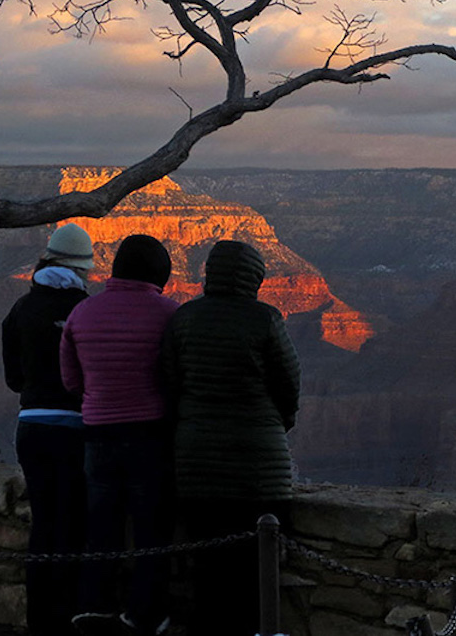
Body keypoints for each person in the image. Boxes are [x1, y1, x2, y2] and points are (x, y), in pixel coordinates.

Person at [161, 240, 300, 636]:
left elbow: (170, 385)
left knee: (207, 568)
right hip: (260, 468)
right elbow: (289, 383)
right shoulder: (265, 319)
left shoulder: (184, 319)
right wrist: (277, 422)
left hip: (197, 465)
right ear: (254, 278)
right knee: (258, 569)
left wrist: (190, 424)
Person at [60, 234, 180, 636]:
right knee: (151, 530)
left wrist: (100, 396)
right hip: (150, 436)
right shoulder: (169, 313)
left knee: (100, 527)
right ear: (158, 272)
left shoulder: (82, 313)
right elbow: (177, 377)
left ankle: (93, 609)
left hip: (97, 435)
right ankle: (145, 616)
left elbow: (70, 380)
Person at [2, 222, 95, 636]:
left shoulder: (20, 309)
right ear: (82, 269)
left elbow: (13, 379)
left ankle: (39, 620)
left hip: (32, 427)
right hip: (76, 429)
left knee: (43, 523)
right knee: (74, 523)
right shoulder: (85, 310)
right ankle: (69, 617)